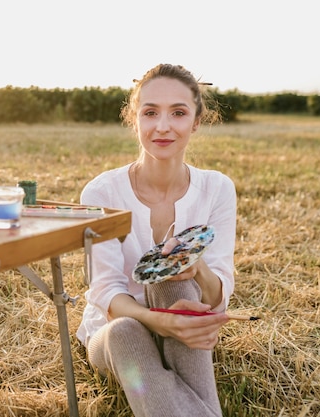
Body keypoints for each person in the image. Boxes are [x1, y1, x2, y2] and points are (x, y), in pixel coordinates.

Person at [76, 64, 237, 417]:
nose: (162, 126)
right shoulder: (101, 192)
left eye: (178, 113)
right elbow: (105, 292)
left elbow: (218, 295)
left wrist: (198, 270)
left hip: (187, 328)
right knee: (124, 332)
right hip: (117, 333)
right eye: (150, 112)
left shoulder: (218, 189)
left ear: (196, 121)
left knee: (175, 280)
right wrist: (162, 322)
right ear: (134, 118)